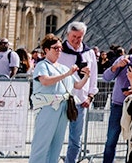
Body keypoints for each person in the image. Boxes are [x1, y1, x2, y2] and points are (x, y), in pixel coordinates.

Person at [29, 34, 91, 163]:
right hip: (47, 107)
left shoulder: (63, 67)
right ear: (46, 50)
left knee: (57, 143)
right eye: (55, 48)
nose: (59, 50)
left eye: (60, 48)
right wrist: (66, 74)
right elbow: (45, 81)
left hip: (62, 107)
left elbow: (77, 85)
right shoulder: (42, 65)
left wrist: (86, 76)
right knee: (42, 142)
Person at [102, 36, 132, 163]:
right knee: (111, 140)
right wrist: (116, 66)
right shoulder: (123, 60)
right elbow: (106, 77)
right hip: (118, 105)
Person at [58, 21, 98, 163]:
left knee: (76, 140)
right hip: (61, 100)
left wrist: (90, 96)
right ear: (68, 34)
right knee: (56, 136)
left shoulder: (89, 53)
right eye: (73, 36)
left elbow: (93, 76)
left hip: (81, 101)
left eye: (79, 37)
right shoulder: (59, 52)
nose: (76, 40)